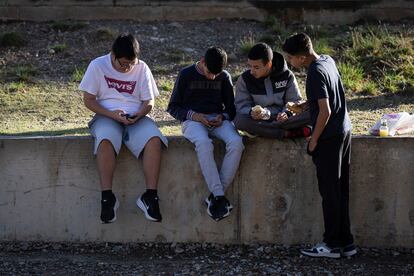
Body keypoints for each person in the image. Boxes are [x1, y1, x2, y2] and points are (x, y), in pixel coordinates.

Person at [79, 34, 168, 224]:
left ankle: (150, 196)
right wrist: (112, 115)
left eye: (131, 63)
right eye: (123, 64)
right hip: (107, 115)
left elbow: (149, 100)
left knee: (154, 138)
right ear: (113, 54)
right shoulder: (97, 66)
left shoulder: (142, 67)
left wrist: (140, 113)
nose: (127, 67)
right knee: (106, 139)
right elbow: (88, 100)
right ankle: (107, 198)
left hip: (136, 117)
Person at [282, 33, 356, 258]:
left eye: (291, 58)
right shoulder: (327, 60)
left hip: (329, 137)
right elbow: (329, 97)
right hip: (345, 130)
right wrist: (305, 106)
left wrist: (313, 141)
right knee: (340, 190)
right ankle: (347, 243)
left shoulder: (314, 73)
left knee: (330, 193)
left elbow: (325, 111)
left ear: (302, 58)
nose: (289, 63)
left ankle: (331, 244)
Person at [167, 46, 244, 221]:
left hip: (217, 120)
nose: (213, 77)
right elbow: (173, 107)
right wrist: (195, 116)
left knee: (237, 142)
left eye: (216, 74)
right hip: (192, 120)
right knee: (203, 143)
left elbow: (231, 109)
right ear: (202, 62)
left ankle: (217, 196)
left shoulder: (223, 77)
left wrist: (222, 116)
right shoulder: (186, 74)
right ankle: (219, 195)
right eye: (210, 72)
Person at [234, 42, 311, 139]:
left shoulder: (287, 76)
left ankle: (264, 131)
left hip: (283, 118)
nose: (252, 71)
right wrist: (251, 112)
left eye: (256, 67)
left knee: (310, 114)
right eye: (250, 66)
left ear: (269, 64)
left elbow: (295, 101)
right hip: (259, 120)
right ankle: (286, 133)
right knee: (239, 120)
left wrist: (286, 113)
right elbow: (241, 106)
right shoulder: (245, 79)